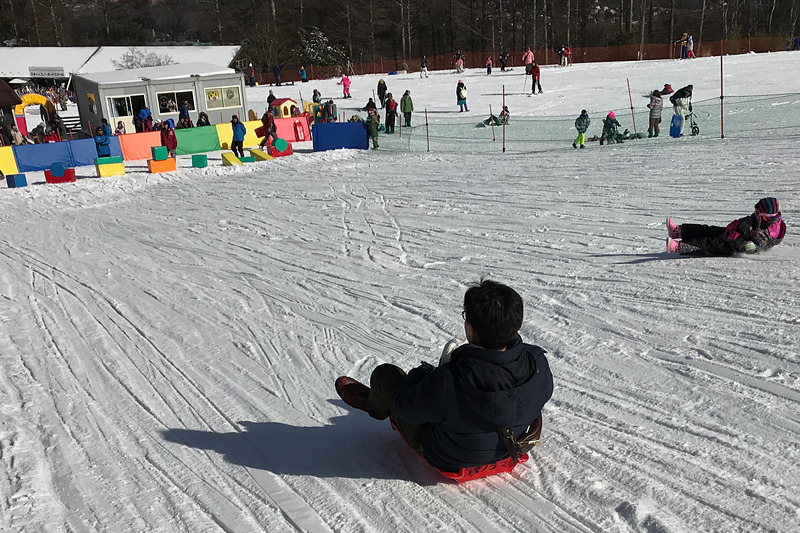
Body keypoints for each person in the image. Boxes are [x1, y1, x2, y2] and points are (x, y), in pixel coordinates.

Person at [335, 279, 554, 474]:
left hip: (449, 458)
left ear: (471, 330)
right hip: (508, 449)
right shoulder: (538, 363)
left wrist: (423, 375)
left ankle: (375, 405)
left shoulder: (450, 379)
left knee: (385, 375)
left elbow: (406, 409)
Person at [667, 198, 786, 256]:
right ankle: (678, 231)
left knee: (709, 244)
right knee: (710, 230)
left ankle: (678, 247)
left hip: (732, 247)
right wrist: (738, 224)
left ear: (765, 216)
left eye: (757, 212)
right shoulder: (763, 220)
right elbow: (751, 222)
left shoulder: (768, 235)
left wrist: (737, 239)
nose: (754, 214)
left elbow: (752, 248)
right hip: (733, 235)